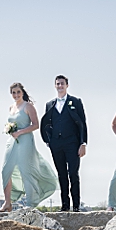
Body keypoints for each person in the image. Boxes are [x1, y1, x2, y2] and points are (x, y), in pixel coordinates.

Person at [0, 82, 58, 211]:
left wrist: (20, 132)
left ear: (22, 93)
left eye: (18, 92)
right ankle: (7, 202)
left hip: (25, 140)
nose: (16, 95)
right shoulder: (11, 107)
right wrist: (10, 130)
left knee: (26, 170)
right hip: (12, 141)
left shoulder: (28, 106)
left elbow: (36, 125)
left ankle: (30, 204)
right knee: (5, 170)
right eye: (13, 93)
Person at [40, 75, 88, 211]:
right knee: (61, 174)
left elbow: (82, 123)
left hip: (72, 143)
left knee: (73, 173)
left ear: (67, 85)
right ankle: (65, 205)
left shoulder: (76, 102)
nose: (60, 86)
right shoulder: (50, 104)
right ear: (55, 86)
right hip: (56, 144)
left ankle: (76, 205)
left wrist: (83, 143)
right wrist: (48, 141)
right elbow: (46, 124)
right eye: (57, 84)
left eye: (62, 84)